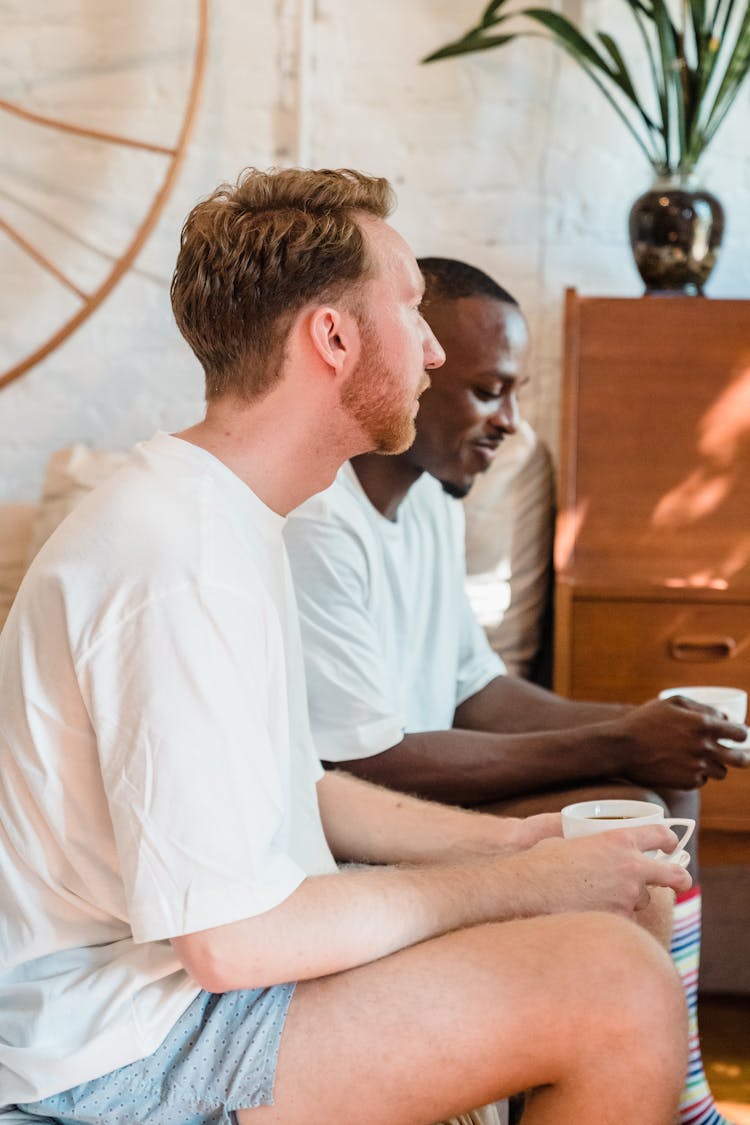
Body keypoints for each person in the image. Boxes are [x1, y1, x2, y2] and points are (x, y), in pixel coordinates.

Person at [0, 171, 692, 1125]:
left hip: (185, 1001)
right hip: (119, 1046)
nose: (435, 346)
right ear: (332, 338)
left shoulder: (232, 519)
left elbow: (305, 789)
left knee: (624, 908)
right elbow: (230, 943)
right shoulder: (180, 557)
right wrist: (518, 882)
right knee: (614, 986)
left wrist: (519, 841)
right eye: (411, 307)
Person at [283, 256, 750, 1125]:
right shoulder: (318, 522)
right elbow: (372, 758)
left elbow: (477, 692)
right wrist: (617, 743)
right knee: (629, 832)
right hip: (357, 829)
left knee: (642, 809)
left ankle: (677, 1085)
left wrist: (650, 724)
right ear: (412, 369)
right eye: (489, 391)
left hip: (416, 798)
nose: (512, 423)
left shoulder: (429, 501)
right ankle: (675, 1088)